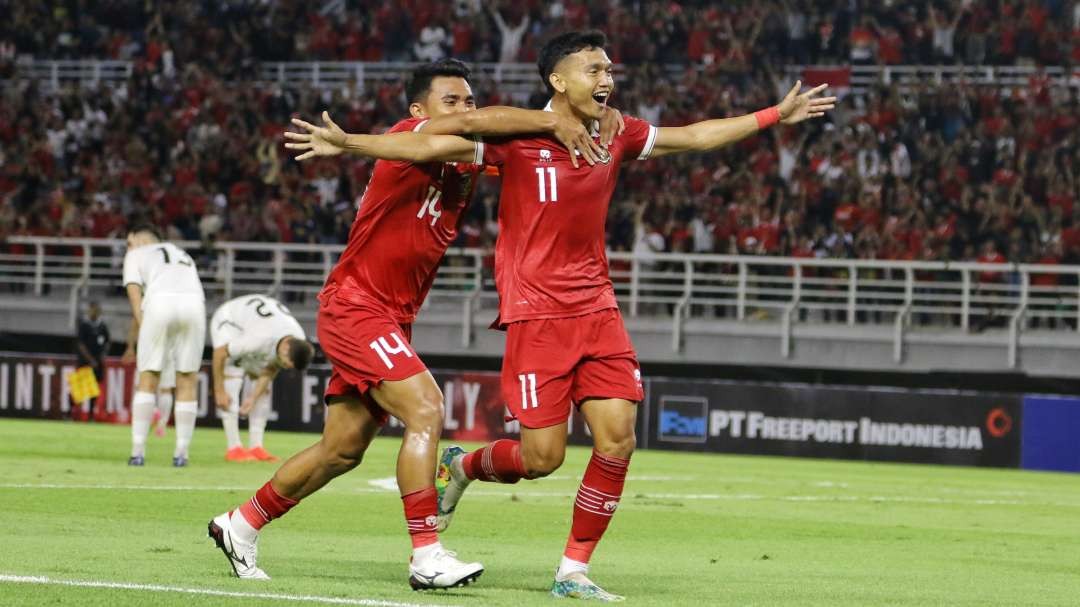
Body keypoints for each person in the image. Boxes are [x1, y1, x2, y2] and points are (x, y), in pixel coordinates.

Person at [287, 31, 834, 601]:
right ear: (558, 80)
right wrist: (350, 143)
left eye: (609, 69)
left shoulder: (615, 132)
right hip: (536, 314)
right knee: (541, 458)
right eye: (593, 69)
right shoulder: (517, 136)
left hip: (598, 308)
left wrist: (774, 114)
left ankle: (572, 571)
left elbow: (694, 137)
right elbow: (430, 145)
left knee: (617, 438)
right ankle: (465, 467)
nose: (607, 79)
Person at [209, 58, 623, 589]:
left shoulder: (467, 159)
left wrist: (594, 124)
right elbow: (485, 128)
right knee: (426, 406)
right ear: (418, 111)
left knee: (341, 449)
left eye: (469, 100)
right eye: (451, 101)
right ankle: (426, 554)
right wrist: (549, 119)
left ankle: (239, 524)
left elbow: (534, 159)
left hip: (392, 317)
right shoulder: (409, 138)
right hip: (355, 305)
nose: (465, 110)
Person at [121, 224, 206, 467]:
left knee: (148, 378)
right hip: (194, 305)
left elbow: (134, 293)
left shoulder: (135, 253)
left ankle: (138, 452)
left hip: (159, 303)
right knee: (187, 379)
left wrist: (143, 325)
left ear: (137, 240)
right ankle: (181, 453)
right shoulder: (181, 253)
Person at [210, 294, 314, 462]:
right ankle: (234, 448)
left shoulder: (297, 339)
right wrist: (219, 389)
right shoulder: (259, 339)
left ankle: (256, 446)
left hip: (256, 323)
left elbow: (271, 369)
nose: (287, 367)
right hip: (229, 321)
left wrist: (252, 398)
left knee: (262, 387)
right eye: (288, 364)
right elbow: (219, 353)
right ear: (286, 348)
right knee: (233, 374)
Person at [74, 301, 109, 420]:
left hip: (97, 363)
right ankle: (72, 414)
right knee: (80, 388)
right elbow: (81, 344)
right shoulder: (84, 325)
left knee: (94, 389)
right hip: (85, 362)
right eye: (92, 309)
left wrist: (103, 355)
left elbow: (108, 341)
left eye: (96, 309)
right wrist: (90, 360)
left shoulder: (102, 326)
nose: (94, 312)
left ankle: (90, 415)